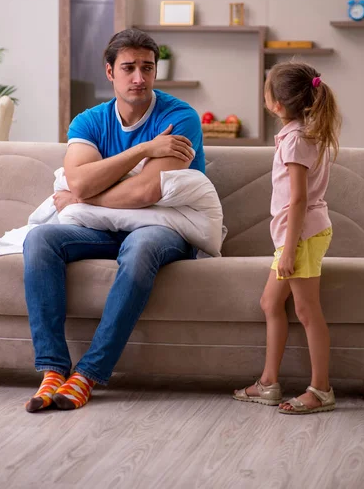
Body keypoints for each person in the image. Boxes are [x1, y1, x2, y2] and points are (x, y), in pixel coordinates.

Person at [24, 28, 205, 412]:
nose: (139, 77)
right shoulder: (89, 121)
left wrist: (84, 194)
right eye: (128, 68)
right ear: (110, 72)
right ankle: (53, 370)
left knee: (140, 246)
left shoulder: (180, 117)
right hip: (104, 230)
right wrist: (143, 149)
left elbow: (146, 194)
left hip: (166, 227)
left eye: (147, 67)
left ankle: (89, 373)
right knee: (40, 240)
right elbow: (80, 179)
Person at [233, 62, 341, 414]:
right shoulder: (301, 134)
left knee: (307, 311)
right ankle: (268, 383)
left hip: (301, 236)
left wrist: (290, 250)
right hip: (297, 235)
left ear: (277, 104)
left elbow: (298, 199)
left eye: (267, 90)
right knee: (270, 302)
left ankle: (321, 389)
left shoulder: (295, 140)